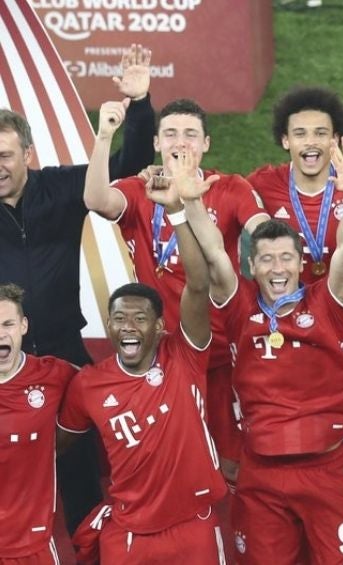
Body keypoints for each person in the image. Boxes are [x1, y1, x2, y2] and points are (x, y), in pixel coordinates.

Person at [0, 43, 156, 534]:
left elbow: (129, 168)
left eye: (4, 156)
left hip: (64, 355)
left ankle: (89, 548)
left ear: (27, 154)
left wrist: (140, 106)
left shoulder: (62, 187)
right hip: (3, 357)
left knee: (81, 474)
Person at [189, 137, 343, 564]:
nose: (277, 268)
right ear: (252, 266)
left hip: (327, 470)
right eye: (266, 259)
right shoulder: (239, 308)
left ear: (301, 263)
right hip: (262, 474)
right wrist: (191, 203)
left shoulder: (327, 304)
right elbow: (213, 253)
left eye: (286, 258)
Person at [83, 97, 269, 483]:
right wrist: (104, 136)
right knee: (170, 458)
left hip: (222, 351)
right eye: (170, 134)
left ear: (206, 144)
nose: (180, 142)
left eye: (190, 134)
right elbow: (96, 200)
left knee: (233, 461)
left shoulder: (230, 188)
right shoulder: (141, 189)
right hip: (164, 355)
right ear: (156, 143)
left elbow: (264, 232)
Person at [57, 147, 228, 562]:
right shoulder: (88, 385)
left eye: (139, 318)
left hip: (193, 526)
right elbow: (55, 446)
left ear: (160, 327)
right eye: (119, 319)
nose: (128, 327)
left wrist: (176, 212)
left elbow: (199, 285)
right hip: (129, 535)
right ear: (109, 326)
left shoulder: (184, 354)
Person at [247, 84, 343, 563]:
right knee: (304, 448)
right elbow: (216, 196)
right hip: (300, 355)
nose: (311, 142)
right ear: (284, 140)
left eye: (321, 133)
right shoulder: (261, 185)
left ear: (336, 139)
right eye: (300, 133)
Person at [0, 284, 77, 564]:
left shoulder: (52, 374)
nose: (0, 334)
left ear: (23, 325)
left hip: (33, 545)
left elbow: (101, 388)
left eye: (8, 324)